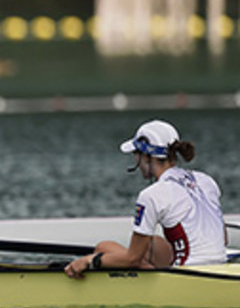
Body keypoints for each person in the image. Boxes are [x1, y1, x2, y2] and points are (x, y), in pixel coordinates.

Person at [66, 119, 226, 278]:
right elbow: (223, 239)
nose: (135, 159)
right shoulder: (206, 180)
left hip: (189, 276)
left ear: (147, 157)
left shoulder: (152, 195)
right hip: (222, 266)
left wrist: (90, 261)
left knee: (104, 247)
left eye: (136, 153)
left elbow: (132, 260)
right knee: (155, 243)